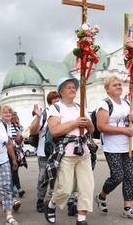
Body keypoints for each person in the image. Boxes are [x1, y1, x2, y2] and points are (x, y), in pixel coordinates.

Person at [43, 77, 96, 225]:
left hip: (83, 153)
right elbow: (54, 130)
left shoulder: (81, 108)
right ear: (61, 91)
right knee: (65, 189)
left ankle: (81, 220)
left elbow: (91, 130)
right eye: (68, 87)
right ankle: (51, 205)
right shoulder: (56, 108)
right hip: (66, 153)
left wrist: (89, 123)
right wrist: (75, 123)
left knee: (87, 187)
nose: (73, 89)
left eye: (74, 87)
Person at [94, 76, 133, 220]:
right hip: (112, 147)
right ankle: (101, 196)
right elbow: (101, 126)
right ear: (107, 89)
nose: (118, 87)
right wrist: (123, 131)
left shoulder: (127, 103)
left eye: (120, 84)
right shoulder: (104, 104)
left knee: (130, 177)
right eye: (114, 85)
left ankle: (127, 208)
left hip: (127, 147)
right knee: (117, 176)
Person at [29, 91, 61, 213]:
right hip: (45, 152)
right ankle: (40, 199)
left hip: (61, 151)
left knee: (61, 177)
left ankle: (69, 201)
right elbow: (33, 131)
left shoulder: (64, 113)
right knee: (43, 177)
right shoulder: (44, 115)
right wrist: (38, 117)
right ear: (49, 104)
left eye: (59, 102)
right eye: (55, 103)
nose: (58, 105)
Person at [1, 105, 23, 211]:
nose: (8, 114)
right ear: (1, 114)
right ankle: (12, 198)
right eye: (5, 112)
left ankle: (7, 196)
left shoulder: (14, 125)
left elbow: (18, 141)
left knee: (11, 175)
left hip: (13, 152)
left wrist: (20, 138)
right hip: (2, 153)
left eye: (9, 112)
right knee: (8, 176)